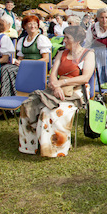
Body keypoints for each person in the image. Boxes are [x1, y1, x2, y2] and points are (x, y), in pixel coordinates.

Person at [19, 26, 95, 157]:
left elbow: (85, 77)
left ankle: (54, 148)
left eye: (67, 38)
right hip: (56, 89)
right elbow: (53, 74)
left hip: (77, 91)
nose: (64, 40)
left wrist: (62, 83)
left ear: (77, 40)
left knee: (51, 111)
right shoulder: (61, 53)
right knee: (28, 105)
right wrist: (56, 86)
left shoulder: (88, 54)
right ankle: (30, 146)